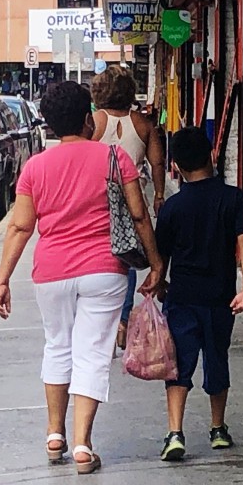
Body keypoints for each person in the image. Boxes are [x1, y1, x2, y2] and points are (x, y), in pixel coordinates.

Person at [0, 81, 163, 475]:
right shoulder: (113, 157)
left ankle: (54, 435)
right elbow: (139, 216)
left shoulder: (35, 167)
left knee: (57, 346)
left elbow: (20, 228)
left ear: (50, 126)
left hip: (51, 272)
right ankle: (83, 445)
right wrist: (156, 264)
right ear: (88, 119)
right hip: (104, 270)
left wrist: (2, 279)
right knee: (92, 353)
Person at [154, 126, 243, 462]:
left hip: (182, 297)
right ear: (213, 156)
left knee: (178, 365)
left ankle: (174, 433)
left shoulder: (172, 207)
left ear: (177, 166)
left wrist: (158, 283)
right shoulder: (234, 198)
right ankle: (217, 429)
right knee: (217, 359)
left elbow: (161, 256)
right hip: (220, 298)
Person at [91, 64, 166, 351]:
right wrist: (159, 193)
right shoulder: (144, 124)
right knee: (129, 255)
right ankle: (122, 319)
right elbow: (157, 162)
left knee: (103, 253)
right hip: (133, 196)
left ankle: (106, 318)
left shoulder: (94, 122)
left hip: (100, 199)